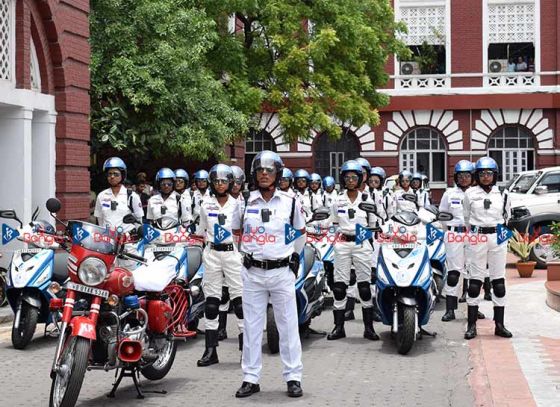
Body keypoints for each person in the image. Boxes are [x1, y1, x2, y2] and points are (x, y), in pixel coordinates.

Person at [236, 151, 306, 398]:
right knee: (252, 327)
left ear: (278, 173)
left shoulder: (290, 202)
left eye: (269, 170)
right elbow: (236, 231)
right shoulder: (244, 201)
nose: (264, 174)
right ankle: (251, 378)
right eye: (260, 170)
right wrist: (244, 256)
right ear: (254, 174)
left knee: (288, 327)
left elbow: (300, 232)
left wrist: (294, 257)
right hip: (252, 273)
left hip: (281, 272)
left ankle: (293, 377)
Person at [195, 164, 243, 366]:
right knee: (212, 303)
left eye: (224, 181)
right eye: (216, 181)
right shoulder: (205, 204)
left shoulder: (238, 204)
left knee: (240, 302)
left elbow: (241, 231)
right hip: (212, 253)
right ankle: (210, 350)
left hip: (232, 254)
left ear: (230, 183)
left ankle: (245, 351)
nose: (220, 184)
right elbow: (201, 231)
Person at [327, 160, 379, 341]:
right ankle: (338, 327)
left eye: (354, 177)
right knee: (340, 287)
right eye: (347, 177)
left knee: (364, 287)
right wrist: (334, 242)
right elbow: (333, 224)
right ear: (342, 179)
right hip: (342, 244)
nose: (350, 180)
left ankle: (369, 328)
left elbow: (373, 226)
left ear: (360, 179)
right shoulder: (337, 200)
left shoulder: (367, 200)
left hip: (361, 244)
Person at [463, 157, 512, 340]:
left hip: (497, 237)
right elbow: (467, 218)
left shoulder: (503, 193)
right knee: (475, 283)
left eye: (489, 173)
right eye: (482, 173)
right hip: (477, 237)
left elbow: (507, 217)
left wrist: (499, 236)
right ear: (477, 175)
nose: (485, 177)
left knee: (498, 283)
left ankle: (499, 325)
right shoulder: (470, 193)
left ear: (495, 175)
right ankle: (471, 326)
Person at [439, 161, 485, 322]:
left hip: (473, 235)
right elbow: (443, 215)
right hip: (454, 235)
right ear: (456, 178)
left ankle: (474, 307)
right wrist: (450, 233)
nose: (464, 179)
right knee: (454, 273)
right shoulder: (449, 194)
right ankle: (450, 309)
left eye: (467, 176)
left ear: (472, 177)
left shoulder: (478, 194)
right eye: (461, 176)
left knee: (475, 273)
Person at [216, 165, 246, 342]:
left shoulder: (246, 201)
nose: (235, 186)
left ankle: (246, 330)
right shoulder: (217, 201)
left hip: (241, 250)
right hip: (224, 250)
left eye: (238, 183)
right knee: (223, 292)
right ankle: (221, 328)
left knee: (241, 294)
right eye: (233, 182)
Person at [94, 157, 144, 233]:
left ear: (122, 176)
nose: (112, 177)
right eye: (109, 174)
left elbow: (139, 220)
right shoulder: (101, 196)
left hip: (127, 240)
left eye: (116, 174)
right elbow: (100, 220)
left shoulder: (132, 196)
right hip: (107, 239)